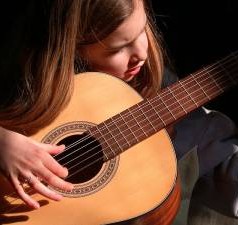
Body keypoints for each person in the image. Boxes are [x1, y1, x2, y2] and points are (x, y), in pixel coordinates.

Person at [0, 0, 237, 224]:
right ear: (72, 46)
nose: (141, 54)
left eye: (143, 30)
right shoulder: (23, 79)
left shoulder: (157, 87)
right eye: (118, 49)